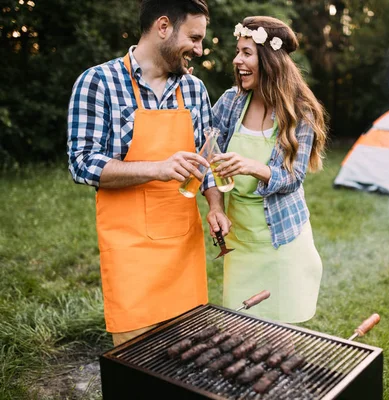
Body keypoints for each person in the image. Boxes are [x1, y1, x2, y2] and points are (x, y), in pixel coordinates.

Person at [67, 0, 230, 346]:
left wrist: (215, 205)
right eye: (196, 38)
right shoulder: (98, 82)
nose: (200, 50)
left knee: (187, 357)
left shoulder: (194, 90)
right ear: (163, 27)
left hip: (183, 249)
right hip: (131, 253)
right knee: (136, 361)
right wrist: (158, 168)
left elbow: (208, 157)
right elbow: (81, 162)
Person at [209, 16, 328, 323]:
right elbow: (208, 161)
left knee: (280, 338)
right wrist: (216, 207)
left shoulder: (300, 113)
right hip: (241, 243)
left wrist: (253, 167)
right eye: (238, 52)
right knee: (240, 331)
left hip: (283, 242)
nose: (237, 60)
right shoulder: (229, 103)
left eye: (246, 52)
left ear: (270, 59)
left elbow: (292, 177)